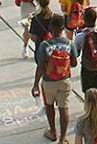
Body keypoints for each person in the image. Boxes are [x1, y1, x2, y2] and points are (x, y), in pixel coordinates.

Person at [35, 15, 78, 143]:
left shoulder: (45, 45)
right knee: (64, 108)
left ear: (51, 28)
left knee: (49, 106)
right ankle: (63, 137)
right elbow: (74, 63)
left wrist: (35, 84)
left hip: (48, 82)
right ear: (63, 28)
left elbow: (40, 66)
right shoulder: (70, 44)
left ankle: (53, 132)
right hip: (65, 80)